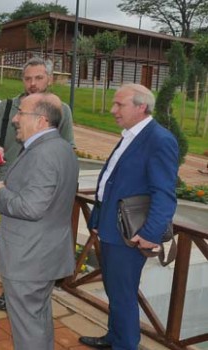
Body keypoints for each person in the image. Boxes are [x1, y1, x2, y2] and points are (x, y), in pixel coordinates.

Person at [78, 84, 179, 350]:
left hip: (131, 235)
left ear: (141, 106)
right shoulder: (131, 135)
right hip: (113, 229)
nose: (113, 110)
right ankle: (114, 337)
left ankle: (125, 345)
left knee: (122, 294)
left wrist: (149, 234)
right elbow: (111, 181)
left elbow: (164, 193)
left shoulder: (159, 139)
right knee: (115, 290)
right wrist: (98, 220)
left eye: (119, 105)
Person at [0, 57, 75, 311]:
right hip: (9, 183)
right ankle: (10, 288)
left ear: (50, 79)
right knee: (11, 238)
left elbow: (67, 146)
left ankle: (35, 286)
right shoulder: (9, 106)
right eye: (27, 78)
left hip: (39, 184)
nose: (33, 83)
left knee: (36, 238)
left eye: (39, 78)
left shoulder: (60, 110)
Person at [0, 93, 78, 350]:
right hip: (44, 253)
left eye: (21, 114)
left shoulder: (43, 154)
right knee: (37, 321)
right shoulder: (61, 147)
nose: (15, 119)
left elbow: (32, 207)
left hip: (29, 257)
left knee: (28, 328)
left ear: (41, 120)